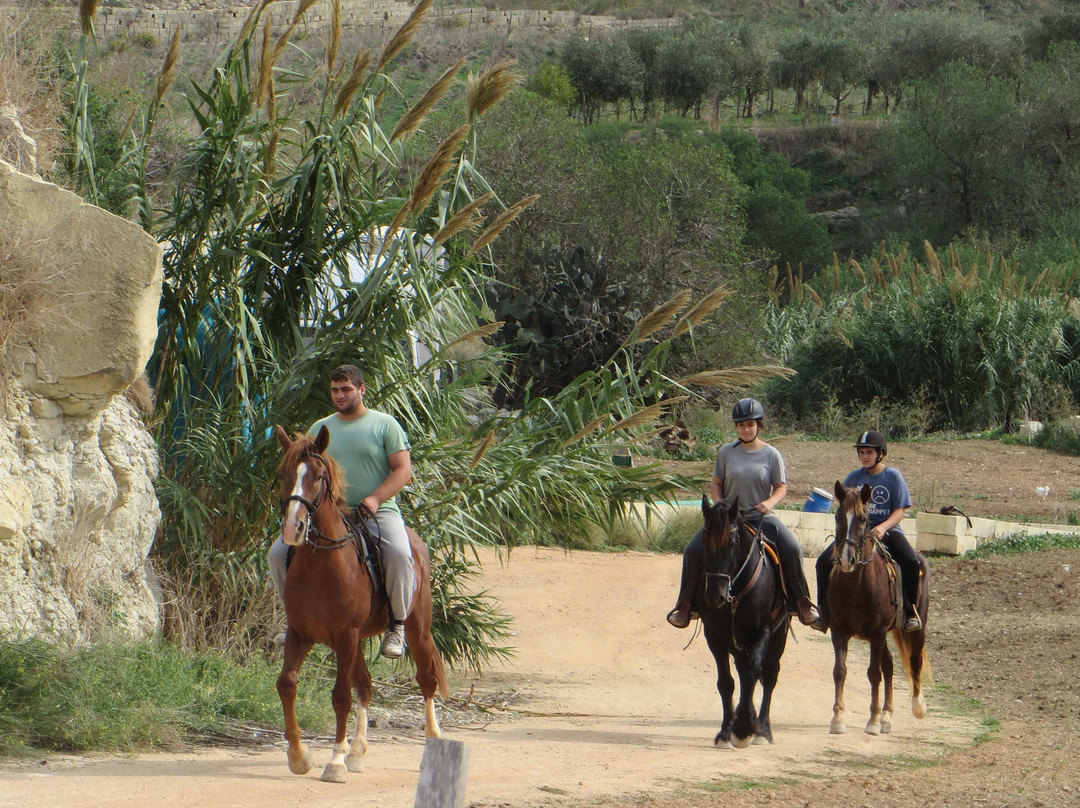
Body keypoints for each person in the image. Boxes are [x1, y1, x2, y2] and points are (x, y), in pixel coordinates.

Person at [268, 364, 415, 658]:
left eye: (346, 389)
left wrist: (374, 499)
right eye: (335, 390)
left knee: (399, 552)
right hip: (330, 514)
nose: (339, 395)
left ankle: (396, 626)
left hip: (377, 511)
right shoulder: (321, 428)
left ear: (361, 390)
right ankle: (294, 620)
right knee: (276, 554)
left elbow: (403, 470)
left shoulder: (385, 425)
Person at [666, 398, 820, 629]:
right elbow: (716, 484)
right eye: (741, 425)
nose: (746, 429)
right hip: (727, 519)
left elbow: (781, 487)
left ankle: (802, 602)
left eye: (750, 424)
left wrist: (769, 503)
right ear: (736, 427)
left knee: (793, 548)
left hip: (760, 515)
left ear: (759, 425)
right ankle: (686, 604)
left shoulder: (771, 454)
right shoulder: (726, 452)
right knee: (692, 550)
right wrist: (720, 506)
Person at [811, 429, 922, 633]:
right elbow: (845, 510)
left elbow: (900, 511)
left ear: (880, 453)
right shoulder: (853, 477)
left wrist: (882, 527)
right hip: (856, 534)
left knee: (911, 561)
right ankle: (824, 612)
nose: (865, 456)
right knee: (821, 563)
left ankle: (909, 611)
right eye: (861, 452)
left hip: (887, 530)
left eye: (869, 452)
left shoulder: (893, 477)